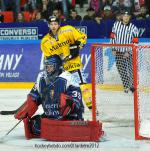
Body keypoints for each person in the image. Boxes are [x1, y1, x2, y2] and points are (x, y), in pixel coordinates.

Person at [14, 55, 84, 138]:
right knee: (32, 126)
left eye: (50, 67)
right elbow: (34, 96)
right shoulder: (41, 79)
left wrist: (69, 103)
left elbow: (77, 103)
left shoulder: (69, 78)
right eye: (46, 67)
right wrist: (27, 107)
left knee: (72, 128)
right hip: (51, 118)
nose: (47, 69)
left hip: (68, 119)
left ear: (58, 67)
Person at [40, 16, 92, 108]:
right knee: (61, 91)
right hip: (60, 69)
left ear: (59, 24)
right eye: (51, 24)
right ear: (48, 25)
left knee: (83, 87)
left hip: (74, 65)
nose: (53, 26)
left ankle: (93, 111)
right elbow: (48, 59)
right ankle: (63, 111)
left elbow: (82, 38)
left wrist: (77, 47)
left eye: (55, 24)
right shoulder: (45, 41)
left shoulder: (68, 30)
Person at [110, 10, 139, 93]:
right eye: (124, 16)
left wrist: (128, 52)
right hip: (118, 51)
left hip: (129, 52)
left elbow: (135, 41)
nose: (126, 17)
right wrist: (113, 48)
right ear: (122, 17)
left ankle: (133, 86)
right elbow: (112, 37)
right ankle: (126, 86)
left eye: (127, 16)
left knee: (131, 69)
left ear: (129, 17)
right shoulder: (116, 25)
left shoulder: (134, 28)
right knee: (121, 70)